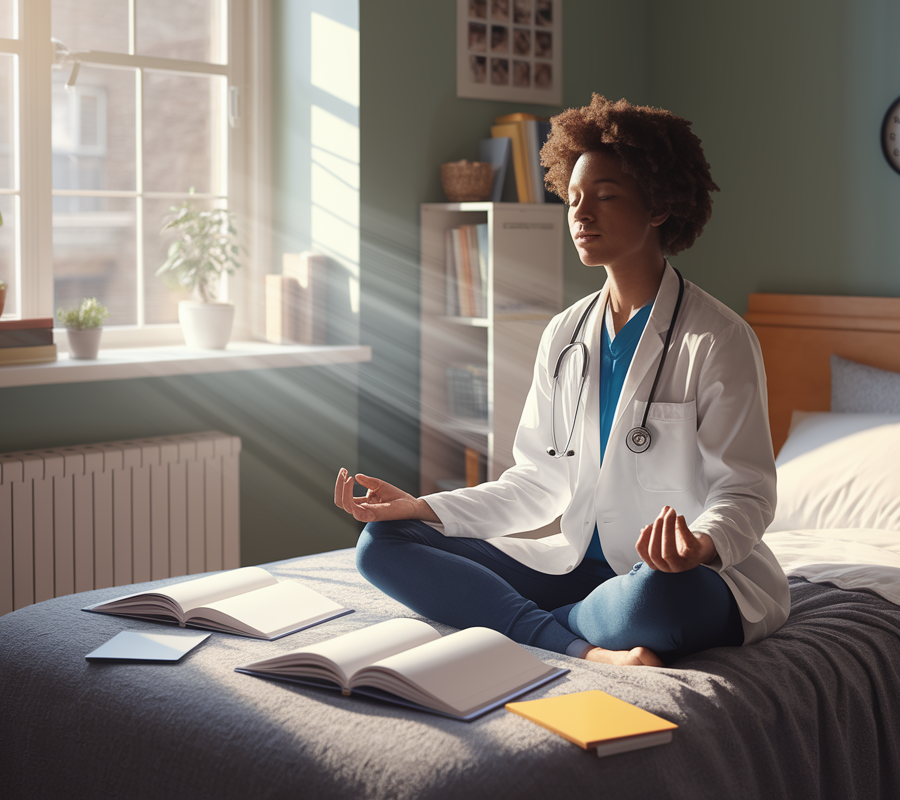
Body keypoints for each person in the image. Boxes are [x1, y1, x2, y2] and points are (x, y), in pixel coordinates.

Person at [337, 94, 789, 667]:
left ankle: (520, 620)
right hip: (578, 570)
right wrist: (422, 508)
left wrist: (699, 545)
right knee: (382, 544)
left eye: (604, 197)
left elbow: (745, 493)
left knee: (655, 600)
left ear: (658, 207)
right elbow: (536, 483)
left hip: (679, 578)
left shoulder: (718, 339)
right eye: (574, 199)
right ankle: (577, 643)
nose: (581, 214)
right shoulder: (564, 334)